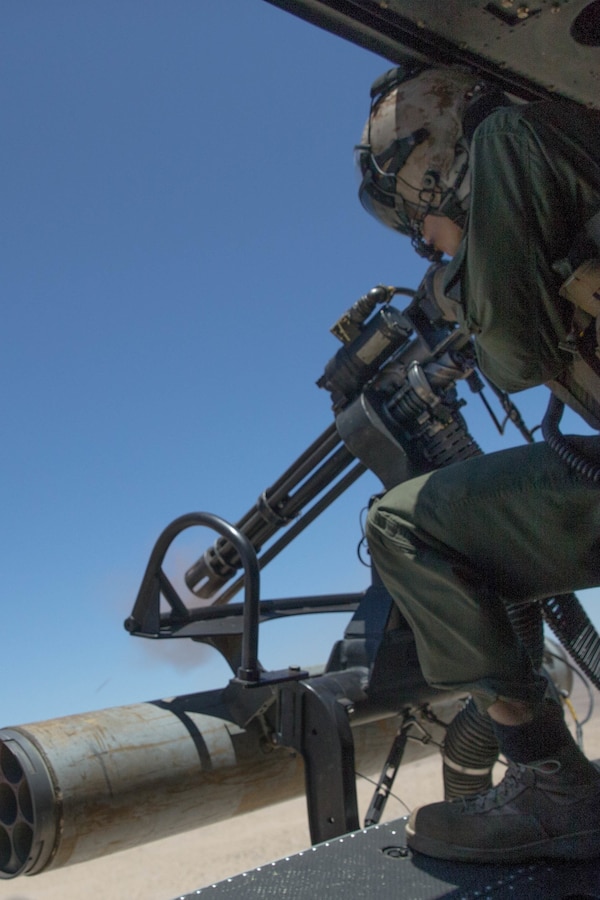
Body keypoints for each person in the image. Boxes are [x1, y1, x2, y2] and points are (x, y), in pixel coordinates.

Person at [355, 63, 600, 862]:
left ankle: (552, 787)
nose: (425, 243)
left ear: (432, 168)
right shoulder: (565, 153)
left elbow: (515, 354)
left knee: (400, 524)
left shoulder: (513, 141)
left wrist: (468, 266)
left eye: (419, 225)